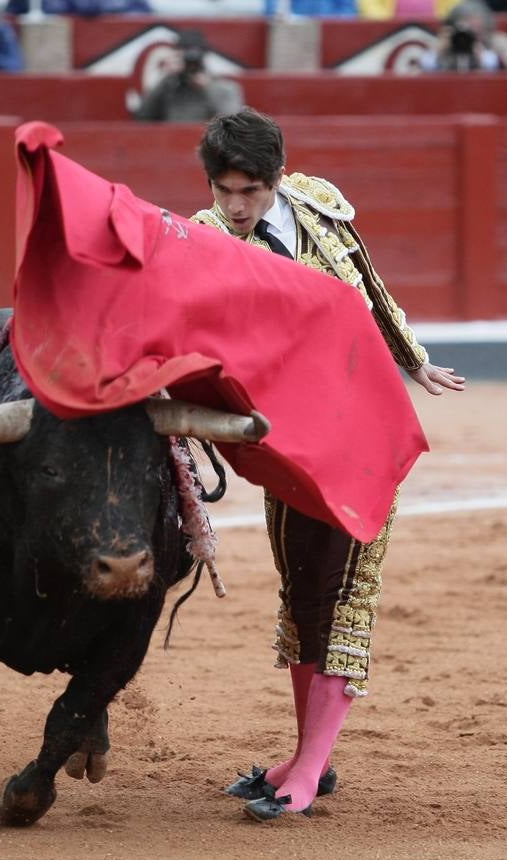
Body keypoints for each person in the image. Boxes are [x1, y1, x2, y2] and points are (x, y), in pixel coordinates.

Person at [189, 109, 465, 823]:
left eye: (248, 190)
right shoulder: (204, 240)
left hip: (362, 428)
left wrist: (414, 359)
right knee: (303, 588)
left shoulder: (318, 207)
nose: (235, 205)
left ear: (275, 180)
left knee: (346, 590)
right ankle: (307, 754)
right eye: (224, 190)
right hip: (285, 445)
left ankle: (309, 766)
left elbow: (368, 286)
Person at [133, 29, 244, 123]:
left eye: (195, 58)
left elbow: (233, 122)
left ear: (205, 56)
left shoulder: (226, 88)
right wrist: (166, 78)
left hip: (208, 145)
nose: (190, 63)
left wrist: (208, 87)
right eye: (186, 57)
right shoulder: (169, 86)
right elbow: (143, 117)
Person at [420, 1, 507, 71]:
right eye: (467, 27)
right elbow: (415, 74)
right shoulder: (446, 41)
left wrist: (492, 59)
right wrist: (437, 54)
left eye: (477, 28)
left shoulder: (498, 41)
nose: (471, 33)